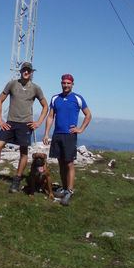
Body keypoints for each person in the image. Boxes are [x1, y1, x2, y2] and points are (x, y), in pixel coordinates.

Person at [0, 62, 48, 193]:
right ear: (20, 71)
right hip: (10, 122)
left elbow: (45, 106)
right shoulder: (12, 84)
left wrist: (38, 122)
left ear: (32, 72)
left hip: (25, 124)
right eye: (24, 70)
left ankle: (16, 181)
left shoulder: (36, 88)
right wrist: (0, 119)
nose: (26, 72)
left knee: (23, 152)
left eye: (28, 70)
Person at [43, 74, 92, 206]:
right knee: (61, 163)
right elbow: (50, 116)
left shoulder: (77, 98)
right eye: (64, 83)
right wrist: (46, 133)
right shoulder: (55, 98)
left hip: (69, 135)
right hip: (57, 134)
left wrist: (80, 129)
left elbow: (88, 115)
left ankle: (69, 191)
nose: (66, 85)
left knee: (69, 163)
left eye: (68, 83)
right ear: (61, 83)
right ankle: (64, 188)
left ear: (72, 84)